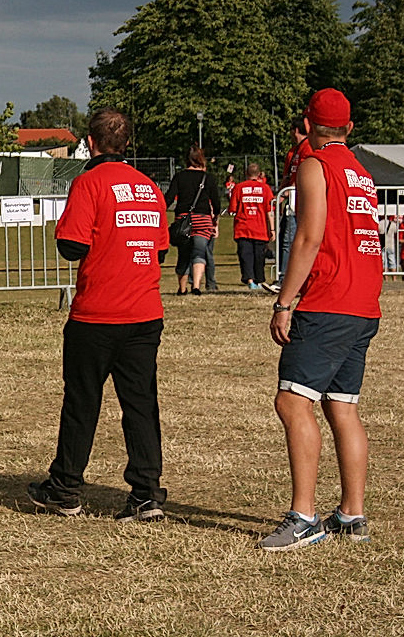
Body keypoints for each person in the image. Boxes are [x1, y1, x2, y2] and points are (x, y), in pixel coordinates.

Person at [28, 108, 170, 522]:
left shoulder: (89, 182)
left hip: (98, 314)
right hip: (144, 311)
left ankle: (65, 488)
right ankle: (146, 494)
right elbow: (160, 250)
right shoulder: (148, 186)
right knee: (141, 404)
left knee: (82, 401)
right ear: (127, 144)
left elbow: (71, 245)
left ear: (90, 143)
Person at [263, 88, 382, 551]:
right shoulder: (361, 173)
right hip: (362, 301)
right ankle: (352, 515)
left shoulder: (316, 164)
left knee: (292, 403)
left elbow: (309, 237)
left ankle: (304, 517)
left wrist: (284, 302)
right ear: (349, 128)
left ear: (308, 125)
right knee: (342, 406)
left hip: (329, 300)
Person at [264, 116, 312, 293]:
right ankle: (285, 277)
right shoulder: (294, 151)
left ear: (296, 130)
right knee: (286, 239)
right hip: (291, 202)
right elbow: (287, 177)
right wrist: (279, 197)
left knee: (290, 240)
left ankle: (285, 279)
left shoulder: (308, 148)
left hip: (301, 202)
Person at [164, 146, 220, 295]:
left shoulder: (179, 177)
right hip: (203, 219)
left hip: (184, 220)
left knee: (183, 254)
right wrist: (215, 219)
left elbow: (169, 198)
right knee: (199, 252)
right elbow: (216, 202)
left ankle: (182, 289)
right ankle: (196, 286)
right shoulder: (208, 178)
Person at [229, 163, 275, 290]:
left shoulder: (239, 187)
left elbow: (233, 208)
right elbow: (270, 211)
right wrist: (272, 229)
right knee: (259, 256)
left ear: (246, 173)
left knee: (245, 255)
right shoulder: (265, 188)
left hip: (243, 227)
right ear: (259, 174)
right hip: (260, 228)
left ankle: (249, 279)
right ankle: (259, 280)